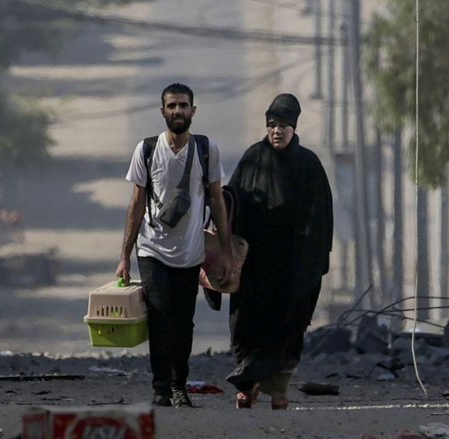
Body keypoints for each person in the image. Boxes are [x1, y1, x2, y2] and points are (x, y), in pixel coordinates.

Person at [117, 83, 231, 408]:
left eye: (183, 105)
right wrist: (124, 256)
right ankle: (161, 389)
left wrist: (225, 250)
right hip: (152, 249)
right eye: (172, 106)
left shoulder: (207, 150)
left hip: (190, 252)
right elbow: (136, 205)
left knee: (184, 323)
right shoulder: (147, 150)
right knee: (158, 317)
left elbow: (217, 201)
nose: (178, 111)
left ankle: (180, 383)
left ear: (193, 111)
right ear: (162, 111)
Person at [224, 93, 333, 409]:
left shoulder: (309, 164)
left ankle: (278, 390)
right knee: (246, 326)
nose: (277, 131)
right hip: (255, 265)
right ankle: (246, 385)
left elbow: (321, 217)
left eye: (284, 125)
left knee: (288, 326)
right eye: (272, 124)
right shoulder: (253, 158)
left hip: (294, 265)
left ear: (294, 127)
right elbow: (232, 202)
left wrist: (311, 261)